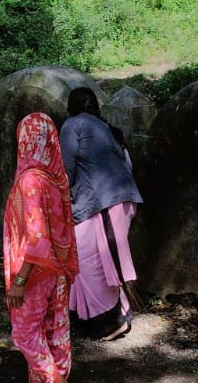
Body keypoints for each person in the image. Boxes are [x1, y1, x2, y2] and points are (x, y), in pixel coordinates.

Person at [4, 113, 87, 383]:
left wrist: (19, 281)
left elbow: (37, 241)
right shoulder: (56, 177)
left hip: (36, 271)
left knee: (25, 333)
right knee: (50, 330)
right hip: (56, 271)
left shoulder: (29, 180)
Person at [60, 87, 142, 341]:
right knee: (99, 261)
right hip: (122, 200)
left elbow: (66, 169)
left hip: (101, 204)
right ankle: (87, 317)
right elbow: (126, 163)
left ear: (70, 107)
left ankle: (112, 321)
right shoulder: (105, 127)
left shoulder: (73, 125)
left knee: (89, 263)